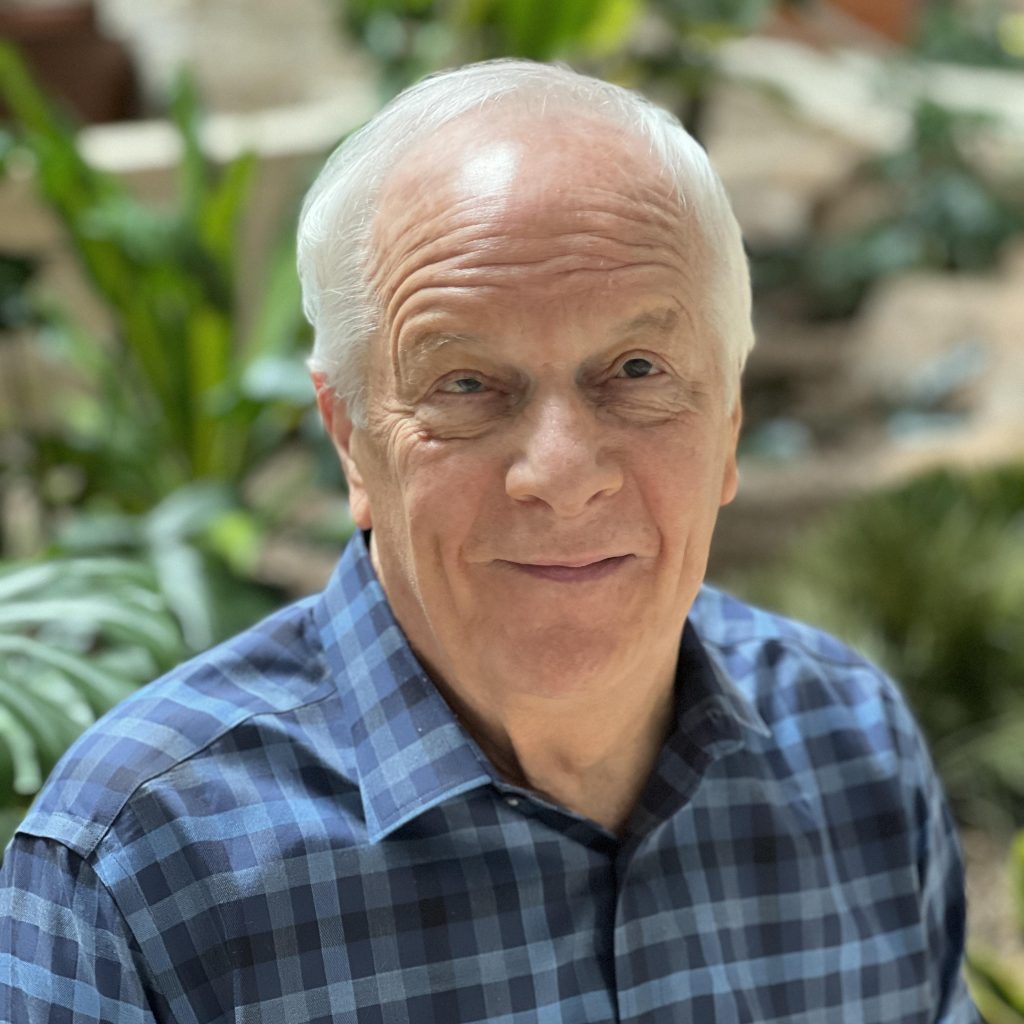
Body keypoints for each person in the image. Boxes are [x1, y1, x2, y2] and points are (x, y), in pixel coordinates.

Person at [0, 60, 978, 1023]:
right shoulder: (136, 868)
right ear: (350, 442)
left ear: (727, 425)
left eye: (635, 369)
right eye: (466, 384)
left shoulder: (852, 748)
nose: (558, 472)